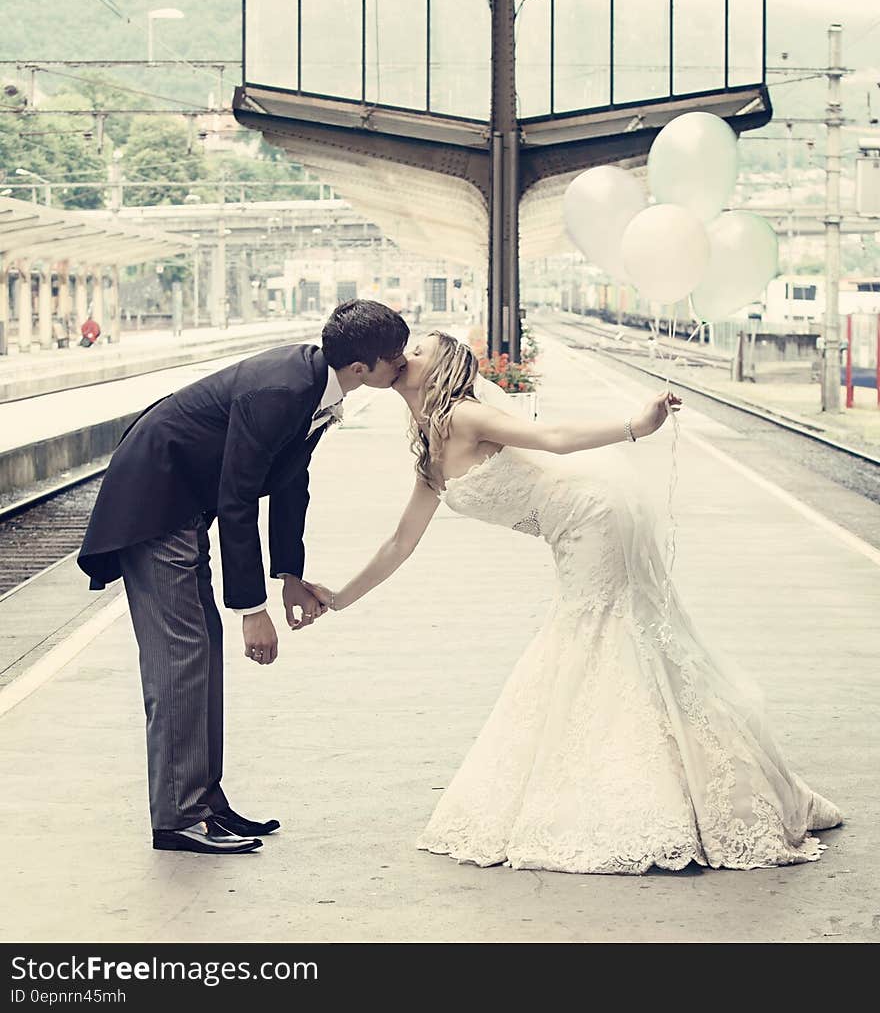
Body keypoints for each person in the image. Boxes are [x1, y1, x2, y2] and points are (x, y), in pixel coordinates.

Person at [306, 331, 842, 875]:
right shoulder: (429, 445)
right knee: (607, 638)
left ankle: (667, 790)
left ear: (444, 369)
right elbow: (401, 542)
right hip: (572, 528)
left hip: (594, 517)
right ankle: (680, 772)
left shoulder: (467, 416)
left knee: (599, 636)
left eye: (419, 351)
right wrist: (339, 598)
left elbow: (554, 437)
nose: (405, 356)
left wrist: (637, 426)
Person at [77, 300, 409, 855]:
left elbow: (288, 484)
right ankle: (178, 816)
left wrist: (290, 575)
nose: (401, 368)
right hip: (154, 508)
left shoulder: (314, 386)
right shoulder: (282, 391)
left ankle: (205, 804)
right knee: (183, 658)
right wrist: (251, 610)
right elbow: (237, 500)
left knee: (200, 653)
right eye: (394, 361)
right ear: (361, 369)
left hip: (181, 506)